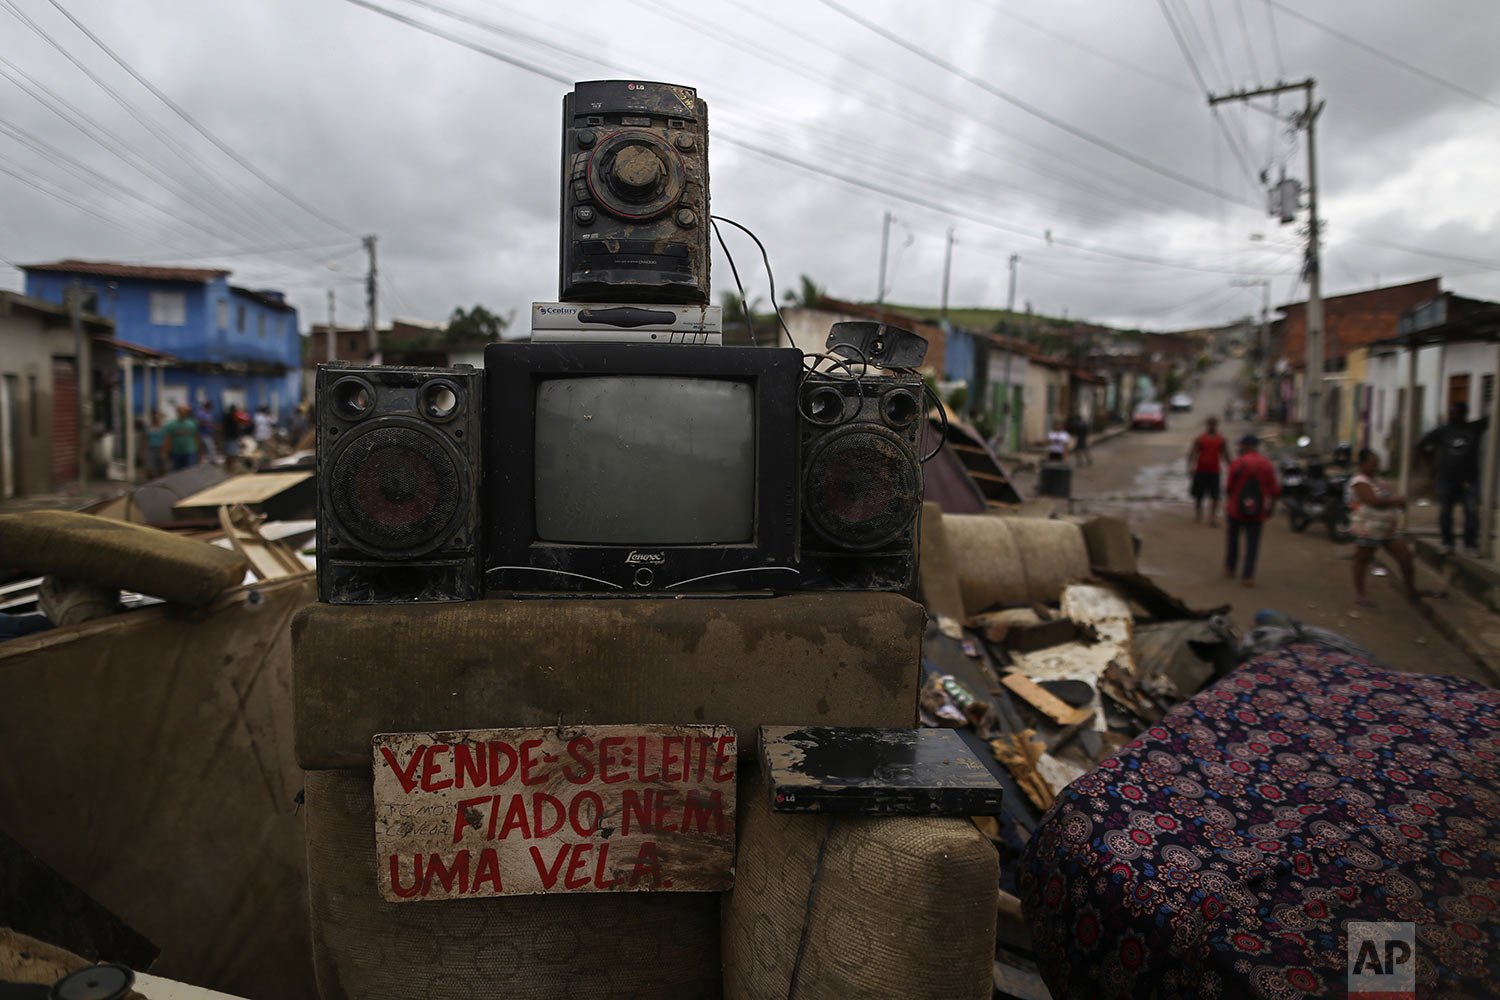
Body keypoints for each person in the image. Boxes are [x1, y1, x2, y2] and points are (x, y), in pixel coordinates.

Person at [1347, 448, 1425, 607]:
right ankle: (1360, 594)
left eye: (1377, 464)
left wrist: (1396, 500)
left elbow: (1389, 495)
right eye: (1372, 464)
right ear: (1362, 465)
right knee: (1362, 559)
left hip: (1386, 528)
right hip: (1368, 528)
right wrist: (1396, 501)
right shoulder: (1359, 481)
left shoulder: (1377, 480)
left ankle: (1411, 589)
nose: (1375, 468)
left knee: (1405, 556)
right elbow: (1373, 501)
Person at [1419, 400, 1488, 555]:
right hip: (1446, 479)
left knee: (1471, 512)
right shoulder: (1443, 431)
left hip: (1469, 480)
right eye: (1450, 413)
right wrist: (1430, 464)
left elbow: (1491, 419)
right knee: (1445, 512)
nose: (1451, 415)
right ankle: (1447, 543)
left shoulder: (1474, 428)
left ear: (1464, 414)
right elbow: (1422, 443)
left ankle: (1470, 544)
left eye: (1454, 413)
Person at [1224, 434, 1279, 588]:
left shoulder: (1237, 463)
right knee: (1253, 544)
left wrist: (1231, 502)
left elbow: (1229, 487)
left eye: (1241, 445)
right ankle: (1248, 576)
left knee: (1233, 540)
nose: (1239, 448)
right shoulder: (1266, 464)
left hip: (1235, 509)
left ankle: (1230, 568)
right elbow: (1274, 491)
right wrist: (1270, 509)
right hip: (1257, 511)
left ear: (1246, 446)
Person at [1187, 416, 1228, 526]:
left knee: (1215, 496)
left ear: (1216, 425)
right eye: (1210, 424)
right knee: (1199, 495)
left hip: (1214, 471)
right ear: (1207, 425)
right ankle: (1198, 514)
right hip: (1201, 470)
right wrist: (1190, 467)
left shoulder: (1221, 439)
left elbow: (1226, 455)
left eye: (1214, 424)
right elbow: (1192, 453)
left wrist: (1232, 467)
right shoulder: (1200, 439)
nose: (1212, 426)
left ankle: (1212, 518)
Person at [161, 404, 200, 471]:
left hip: (190, 452)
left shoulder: (192, 424)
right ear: (177, 412)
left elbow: (196, 438)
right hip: (176, 453)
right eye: (181, 411)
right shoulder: (171, 425)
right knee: (177, 472)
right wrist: (165, 451)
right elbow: (167, 439)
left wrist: (199, 451)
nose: (183, 413)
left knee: (190, 471)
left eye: (184, 412)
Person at [143, 410, 166, 479]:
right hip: (151, 449)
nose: (155, 419)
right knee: (149, 467)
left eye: (157, 417)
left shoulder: (163, 428)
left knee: (161, 467)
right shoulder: (148, 428)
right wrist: (143, 451)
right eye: (154, 417)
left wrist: (164, 451)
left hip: (160, 448)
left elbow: (165, 439)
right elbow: (145, 439)